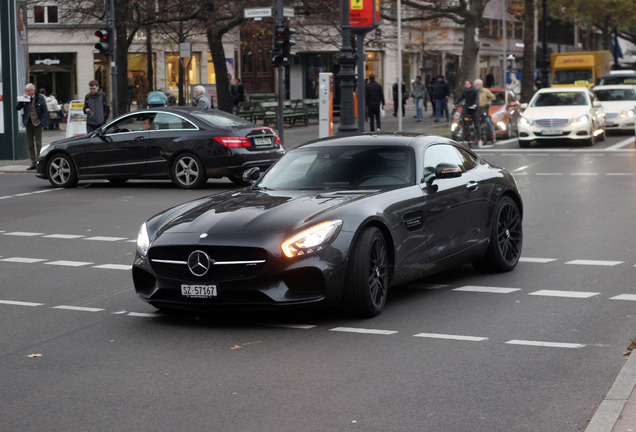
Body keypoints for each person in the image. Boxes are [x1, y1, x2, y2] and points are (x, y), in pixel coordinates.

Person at [16, 83, 49, 170]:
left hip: (37, 123)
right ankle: (33, 162)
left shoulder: (40, 98)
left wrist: (43, 122)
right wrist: (22, 100)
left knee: (38, 144)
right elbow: (18, 108)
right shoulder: (25, 99)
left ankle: (39, 162)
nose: (27, 92)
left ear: (33, 90)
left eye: (29, 91)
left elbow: (45, 111)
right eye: (26, 91)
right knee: (30, 144)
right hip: (28, 123)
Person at [453, 79, 481, 146]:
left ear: (471, 84)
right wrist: (454, 103)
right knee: (461, 118)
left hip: (474, 108)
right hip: (467, 106)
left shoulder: (474, 90)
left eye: (468, 84)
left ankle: (478, 138)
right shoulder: (464, 91)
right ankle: (464, 128)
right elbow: (460, 97)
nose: (466, 85)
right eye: (466, 84)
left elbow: (477, 98)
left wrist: (475, 104)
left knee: (476, 123)